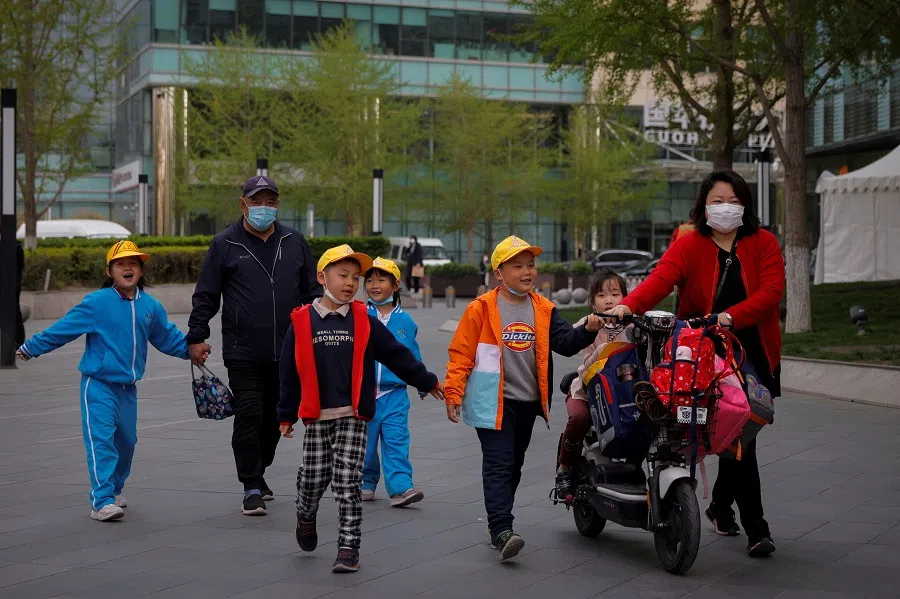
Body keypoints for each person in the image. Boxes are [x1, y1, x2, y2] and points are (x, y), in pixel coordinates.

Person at [606, 169, 784, 558]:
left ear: (745, 205)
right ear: (704, 205)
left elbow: (772, 292)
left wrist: (730, 317)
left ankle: (720, 505)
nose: (725, 208)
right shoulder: (690, 244)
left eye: (734, 201)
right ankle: (757, 529)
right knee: (734, 439)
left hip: (752, 351)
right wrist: (629, 304)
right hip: (702, 351)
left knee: (741, 434)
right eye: (717, 201)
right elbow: (661, 278)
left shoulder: (764, 242)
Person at [277, 245, 444, 573]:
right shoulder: (301, 321)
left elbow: (396, 354)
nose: (351, 283)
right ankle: (306, 514)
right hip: (317, 415)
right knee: (312, 479)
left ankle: (348, 545)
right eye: (344, 276)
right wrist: (285, 414)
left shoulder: (363, 320)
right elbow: (288, 370)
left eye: (356, 278)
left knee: (346, 481)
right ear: (322, 277)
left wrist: (427, 381)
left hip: (354, 414)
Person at [16, 241, 210, 521]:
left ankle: (115, 490)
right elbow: (63, 330)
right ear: (110, 271)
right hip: (97, 385)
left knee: (127, 442)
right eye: (121, 264)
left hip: (127, 389)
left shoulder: (150, 306)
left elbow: (167, 338)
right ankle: (101, 500)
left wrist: (192, 351)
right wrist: (30, 347)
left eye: (134, 263)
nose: (128, 267)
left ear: (141, 270)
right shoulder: (97, 303)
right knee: (101, 441)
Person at [443, 235, 602, 561]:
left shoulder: (543, 309)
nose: (527, 272)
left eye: (530, 265)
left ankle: (498, 525)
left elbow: (566, 342)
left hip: (528, 403)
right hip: (492, 401)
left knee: (514, 464)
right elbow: (461, 353)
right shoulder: (482, 309)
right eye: (518, 266)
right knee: (500, 464)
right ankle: (502, 529)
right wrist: (453, 391)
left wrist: (588, 328)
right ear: (499, 273)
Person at [186, 174, 322, 517]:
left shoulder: (294, 240)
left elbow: (312, 293)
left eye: (271, 201)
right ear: (242, 204)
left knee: (276, 416)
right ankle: (250, 484)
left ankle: (258, 469)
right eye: (257, 201)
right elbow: (206, 294)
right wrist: (196, 336)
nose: (264, 207)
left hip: (289, 349)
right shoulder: (225, 244)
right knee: (249, 412)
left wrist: (325, 330)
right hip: (242, 350)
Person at [554, 269, 632, 500]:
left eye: (615, 294)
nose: (608, 300)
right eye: (601, 295)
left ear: (625, 298)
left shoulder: (634, 325)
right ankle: (564, 469)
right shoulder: (589, 324)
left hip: (624, 391)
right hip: (589, 389)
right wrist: (591, 334)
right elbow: (577, 348)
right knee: (579, 418)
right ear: (592, 302)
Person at [360, 257, 426, 507]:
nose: (375, 285)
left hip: (394, 394)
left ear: (395, 285)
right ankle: (365, 482)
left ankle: (401, 487)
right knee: (364, 443)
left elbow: (412, 354)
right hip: (363, 393)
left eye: (381, 279)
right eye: (369, 280)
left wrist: (421, 382)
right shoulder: (358, 316)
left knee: (396, 440)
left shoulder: (406, 322)